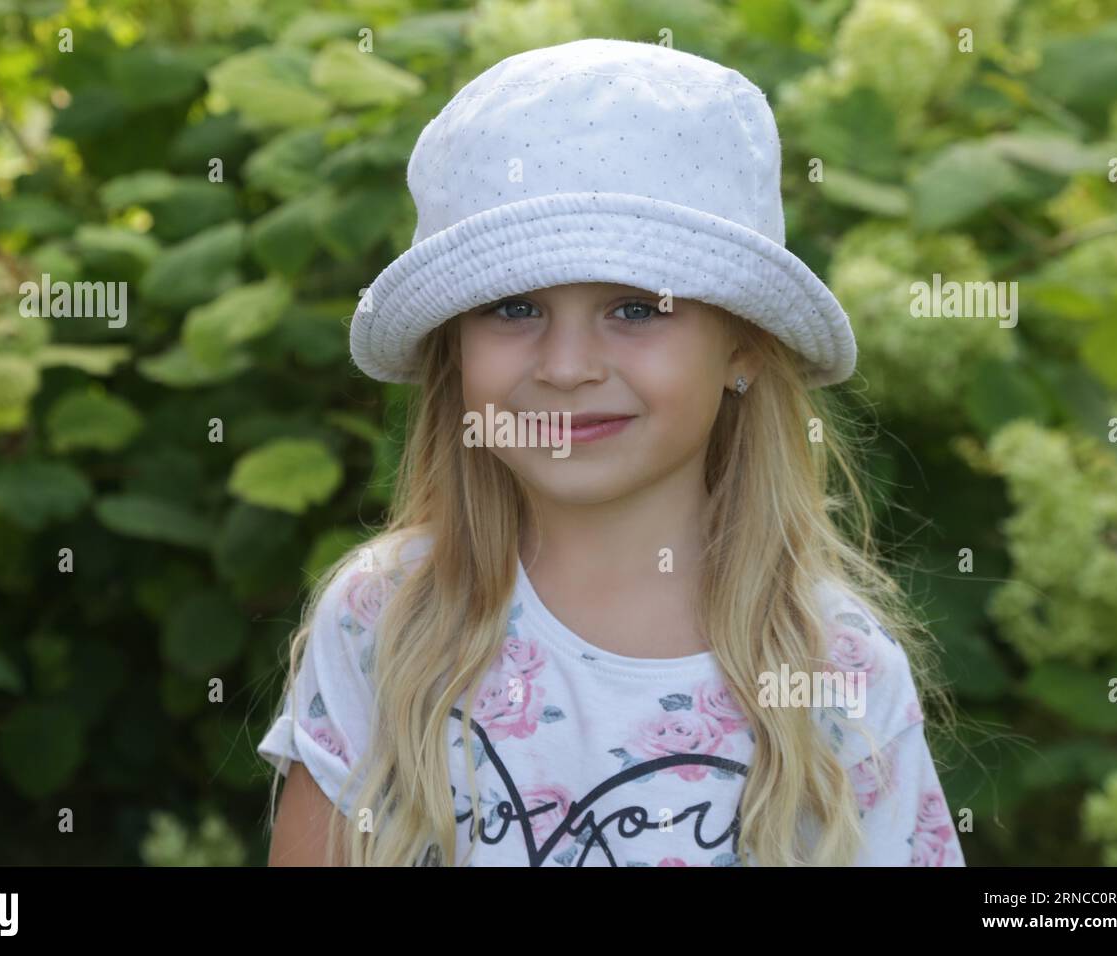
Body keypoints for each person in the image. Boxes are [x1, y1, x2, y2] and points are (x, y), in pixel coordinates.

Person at [257, 37, 965, 867]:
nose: (565, 369)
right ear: (454, 352)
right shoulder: (386, 622)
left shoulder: (834, 671)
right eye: (514, 308)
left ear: (743, 349)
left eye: (636, 310)